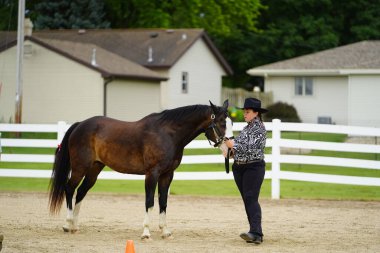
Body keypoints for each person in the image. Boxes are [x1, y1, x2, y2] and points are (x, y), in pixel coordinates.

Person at [225, 97, 268, 244]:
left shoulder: (259, 128)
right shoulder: (246, 128)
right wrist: (231, 153)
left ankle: (256, 232)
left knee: (250, 198)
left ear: (256, 113)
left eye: (248, 112)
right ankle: (255, 232)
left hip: (253, 167)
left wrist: (233, 145)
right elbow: (241, 148)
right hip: (240, 168)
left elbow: (251, 148)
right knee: (248, 200)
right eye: (244, 111)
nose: (245, 114)